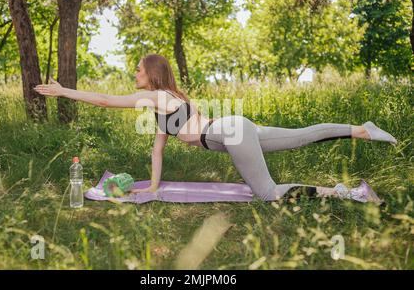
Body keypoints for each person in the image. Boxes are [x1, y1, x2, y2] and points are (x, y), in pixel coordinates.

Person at [34, 54, 397, 205]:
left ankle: (347, 194)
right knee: (301, 135)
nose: (135, 77)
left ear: (153, 75)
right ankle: (360, 129)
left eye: (139, 72)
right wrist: (155, 187)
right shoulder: (169, 100)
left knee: (268, 194)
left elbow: (103, 100)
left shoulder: (155, 97)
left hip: (229, 132)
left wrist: (64, 90)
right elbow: (157, 151)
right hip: (236, 127)